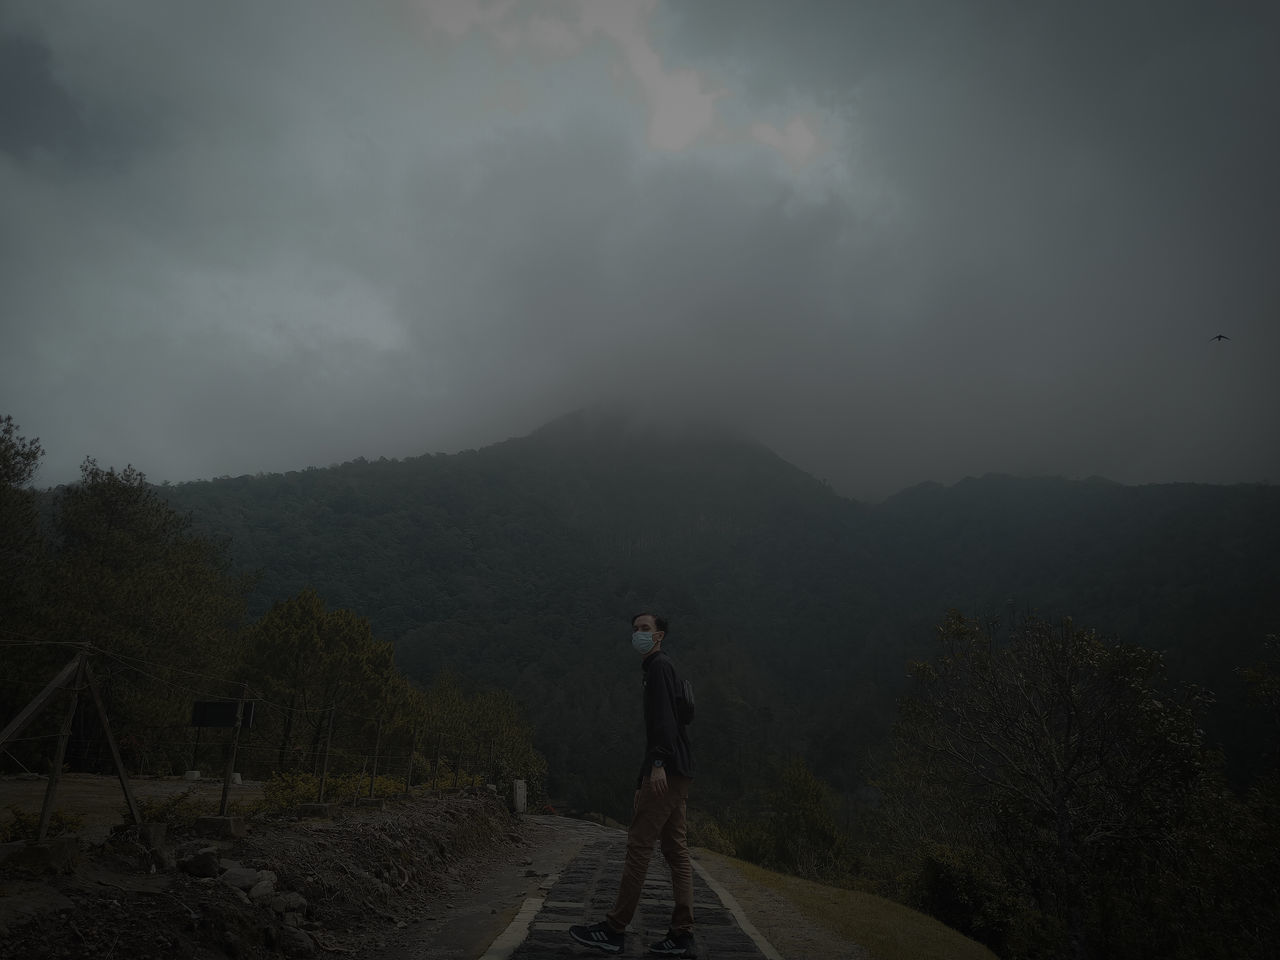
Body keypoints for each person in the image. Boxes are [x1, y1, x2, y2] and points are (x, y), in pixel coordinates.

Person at [569, 612, 697, 957]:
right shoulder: (663, 667)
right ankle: (682, 934)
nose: (638, 634)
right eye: (635, 629)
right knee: (675, 851)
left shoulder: (657, 668)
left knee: (639, 845)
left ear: (660, 636)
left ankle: (614, 928)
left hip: (666, 770)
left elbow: (664, 723)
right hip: (679, 769)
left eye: (645, 629)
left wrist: (656, 766)